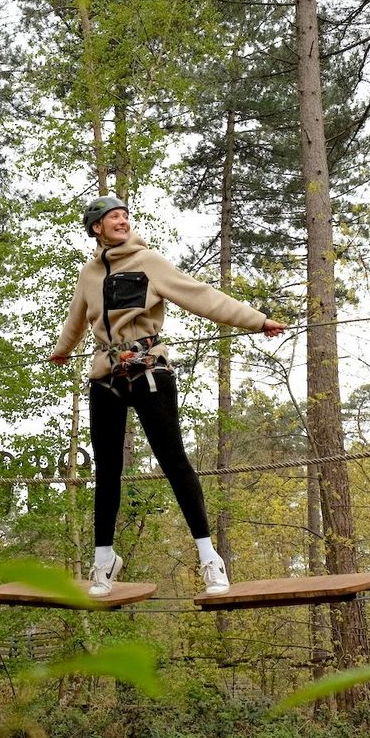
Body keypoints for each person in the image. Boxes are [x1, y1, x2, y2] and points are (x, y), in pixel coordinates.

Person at [49, 196, 286, 596]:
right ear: (96, 228)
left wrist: (257, 321)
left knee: (173, 460)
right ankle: (104, 560)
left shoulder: (150, 262)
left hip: (148, 370)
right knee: (106, 470)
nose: (122, 222)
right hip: (105, 376)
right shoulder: (88, 275)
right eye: (113, 218)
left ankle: (210, 558)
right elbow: (76, 319)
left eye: (125, 217)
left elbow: (203, 296)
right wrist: (62, 349)